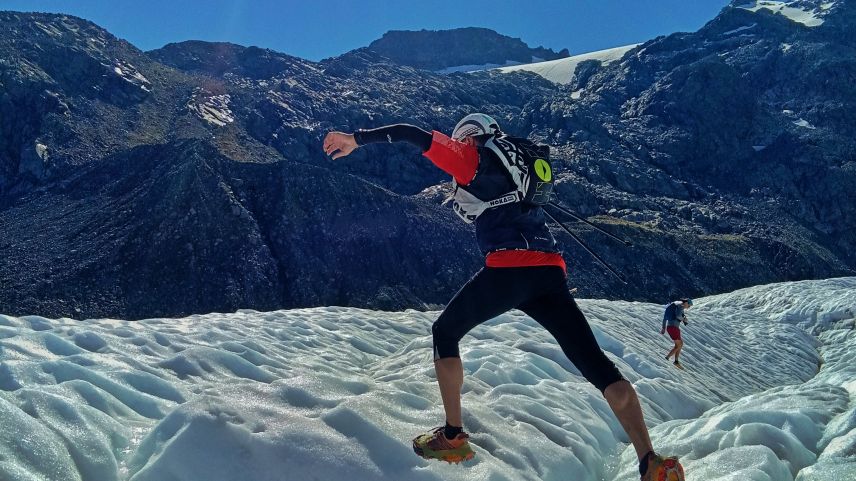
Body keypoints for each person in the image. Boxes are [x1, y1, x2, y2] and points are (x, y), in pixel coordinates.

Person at [323, 114, 685, 481]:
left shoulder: (471, 157)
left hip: (509, 267)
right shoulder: (519, 166)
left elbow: (412, 134)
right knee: (598, 367)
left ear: (468, 137)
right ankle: (650, 461)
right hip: (550, 273)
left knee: (444, 333)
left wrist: (357, 138)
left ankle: (452, 437)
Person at [661, 299, 692, 369]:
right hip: (673, 328)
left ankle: (676, 361)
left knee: (679, 344)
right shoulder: (680, 307)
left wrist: (663, 328)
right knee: (679, 345)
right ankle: (667, 358)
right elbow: (678, 316)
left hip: (672, 328)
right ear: (686, 303)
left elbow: (665, 318)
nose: (689, 307)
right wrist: (684, 319)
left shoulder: (677, 307)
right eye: (689, 305)